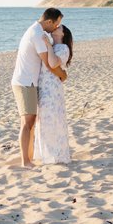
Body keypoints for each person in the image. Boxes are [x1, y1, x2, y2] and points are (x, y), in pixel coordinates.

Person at [10, 7, 66, 167]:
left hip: (29, 82)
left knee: (30, 121)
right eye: (56, 24)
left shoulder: (36, 31)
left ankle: (28, 158)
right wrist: (63, 75)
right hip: (24, 82)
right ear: (49, 21)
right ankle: (25, 161)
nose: (56, 27)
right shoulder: (37, 34)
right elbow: (49, 64)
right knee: (27, 122)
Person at [34, 24, 73, 164]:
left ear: (63, 34)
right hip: (44, 87)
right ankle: (46, 153)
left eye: (60, 27)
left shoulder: (63, 48)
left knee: (52, 118)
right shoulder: (51, 45)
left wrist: (48, 46)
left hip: (52, 89)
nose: (56, 27)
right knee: (44, 119)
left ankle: (55, 155)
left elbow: (53, 63)